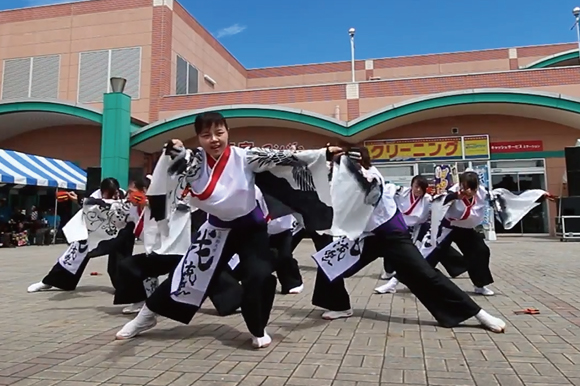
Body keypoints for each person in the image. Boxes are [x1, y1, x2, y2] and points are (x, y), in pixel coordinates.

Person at [116, 112, 341, 348]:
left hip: (251, 228)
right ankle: (145, 318)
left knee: (259, 275)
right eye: (206, 135)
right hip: (216, 228)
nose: (213, 139)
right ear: (199, 138)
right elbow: (177, 160)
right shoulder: (196, 161)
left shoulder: (245, 156)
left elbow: (283, 157)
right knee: (186, 274)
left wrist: (323, 154)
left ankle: (257, 328)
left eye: (219, 133)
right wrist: (174, 148)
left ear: (227, 132)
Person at [311, 147, 507, 333]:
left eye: (342, 165)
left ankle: (479, 314)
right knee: (328, 262)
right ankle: (340, 306)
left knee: (424, 274)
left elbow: (364, 186)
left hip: (392, 235)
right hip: (366, 236)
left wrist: (344, 162)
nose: (336, 169)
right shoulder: (339, 180)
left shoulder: (372, 176)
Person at [26, 178, 138, 294]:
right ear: (102, 191)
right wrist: (78, 200)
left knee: (119, 262)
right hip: (95, 231)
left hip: (118, 232)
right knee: (74, 255)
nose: (113, 197)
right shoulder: (93, 196)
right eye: (108, 194)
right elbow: (92, 206)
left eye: (114, 193)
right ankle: (51, 282)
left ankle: (125, 291)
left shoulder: (123, 195)